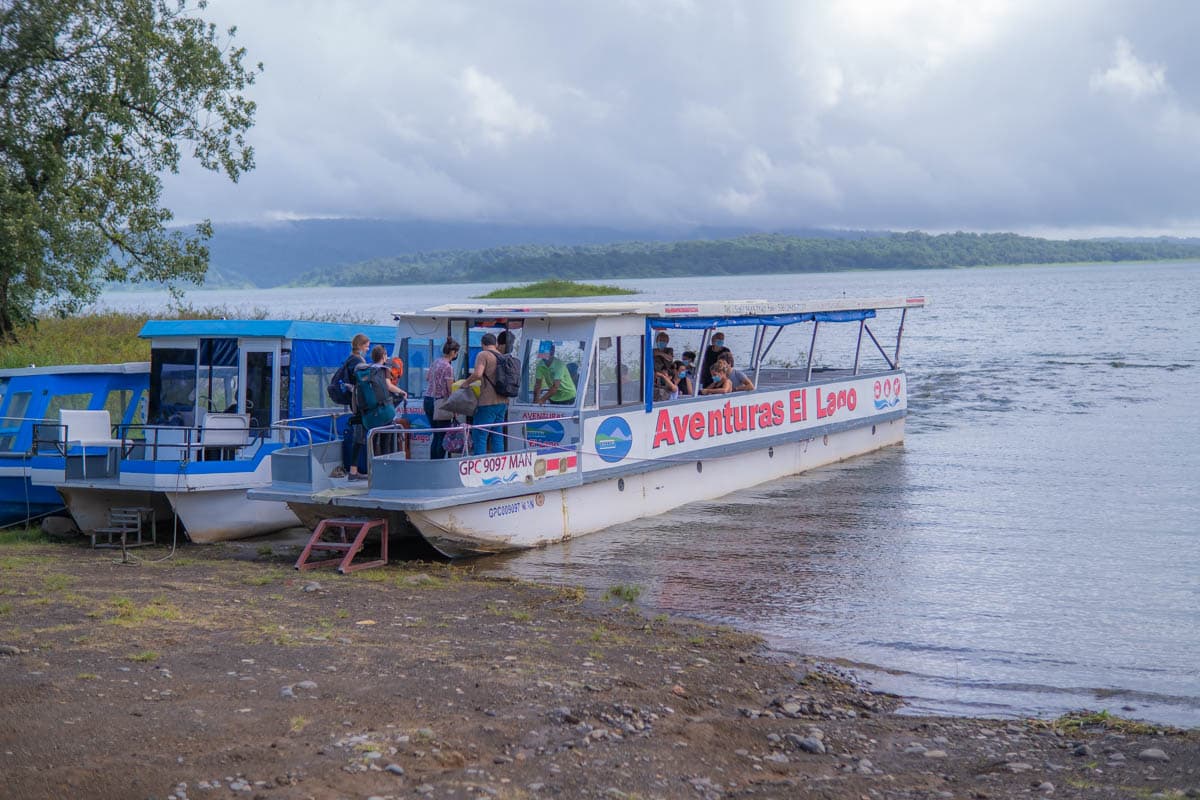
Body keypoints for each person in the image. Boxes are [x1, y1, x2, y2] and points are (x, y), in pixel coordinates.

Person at [354, 344, 407, 476]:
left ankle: (373, 472)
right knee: (386, 441)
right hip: (384, 413)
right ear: (383, 356)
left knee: (373, 441)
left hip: (369, 414)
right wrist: (402, 392)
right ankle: (386, 472)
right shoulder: (384, 370)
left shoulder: (366, 370)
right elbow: (389, 386)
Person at [464, 333, 508, 454]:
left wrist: (466, 383)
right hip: (502, 402)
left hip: (487, 402)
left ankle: (479, 465)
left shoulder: (483, 354)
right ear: (496, 344)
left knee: (480, 435)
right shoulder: (502, 357)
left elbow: (478, 374)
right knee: (497, 435)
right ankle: (499, 462)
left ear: (483, 344)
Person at [423, 339, 459, 459]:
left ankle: (433, 462)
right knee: (442, 436)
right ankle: (439, 463)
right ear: (453, 352)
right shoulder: (448, 367)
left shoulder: (436, 362)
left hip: (428, 400)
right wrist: (454, 409)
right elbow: (450, 389)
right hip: (440, 402)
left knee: (436, 434)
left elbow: (427, 378)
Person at [342, 332, 371, 478]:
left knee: (360, 436)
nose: (368, 349)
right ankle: (354, 472)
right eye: (366, 346)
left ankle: (354, 470)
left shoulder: (351, 359)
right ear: (360, 346)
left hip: (355, 402)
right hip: (359, 403)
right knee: (359, 436)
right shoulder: (357, 361)